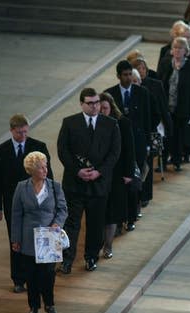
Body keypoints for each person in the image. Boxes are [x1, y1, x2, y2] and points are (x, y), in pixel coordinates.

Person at [57, 87, 121, 274]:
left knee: (95, 224)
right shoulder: (70, 123)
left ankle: (91, 257)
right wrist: (77, 171)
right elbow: (63, 150)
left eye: (97, 102)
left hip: (98, 184)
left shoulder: (110, 124)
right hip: (74, 184)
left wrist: (99, 172)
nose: (95, 106)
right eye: (90, 103)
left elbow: (114, 153)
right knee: (71, 224)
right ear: (82, 104)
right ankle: (67, 260)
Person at [0, 114, 53, 293]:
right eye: (19, 132)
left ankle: (39, 276)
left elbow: (48, 176)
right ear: (11, 131)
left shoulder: (38, 147)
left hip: (37, 203)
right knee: (16, 240)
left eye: (26, 131)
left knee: (40, 238)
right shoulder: (1, 151)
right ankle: (18, 278)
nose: (23, 135)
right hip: (13, 205)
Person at [10, 151, 67, 313]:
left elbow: (63, 209)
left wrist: (57, 223)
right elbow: (16, 214)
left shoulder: (55, 187)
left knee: (48, 274)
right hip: (28, 238)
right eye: (41, 167)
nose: (45, 170)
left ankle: (49, 305)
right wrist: (16, 239)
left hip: (49, 237)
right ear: (32, 170)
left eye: (46, 166)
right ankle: (34, 306)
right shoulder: (21, 187)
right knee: (31, 275)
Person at [104, 60, 153, 226]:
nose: (128, 78)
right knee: (120, 183)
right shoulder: (110, 94)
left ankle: (133, 214)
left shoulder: (142, 92)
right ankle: (118, 217)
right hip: (119, 144)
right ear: (118, 76)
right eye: (125, 75)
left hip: (137, 143)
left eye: (130, 74)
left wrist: (147, 143)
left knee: (134, 180)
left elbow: (147, 119)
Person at [98, 92, 136, 259]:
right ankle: (99, 243)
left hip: (117, 173)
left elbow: (129, 149)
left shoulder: (122, 123)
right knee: (101, 211)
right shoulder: (95, 123)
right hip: (100, 174)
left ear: (111, 107)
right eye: (100, 108)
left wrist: (128, 173)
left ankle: (108, 245)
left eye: (105, 108)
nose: (102, 111)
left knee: (112, 213)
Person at [159, 37, 190, 168]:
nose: (177, 50)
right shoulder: (166, 63)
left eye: (180, 48)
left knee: (178, 135)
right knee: (165, 135)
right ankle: (163, 161)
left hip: (182, 107)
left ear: (186, 51)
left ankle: (177, 161)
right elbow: (160, 84)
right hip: (167, 106)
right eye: (175, 48)